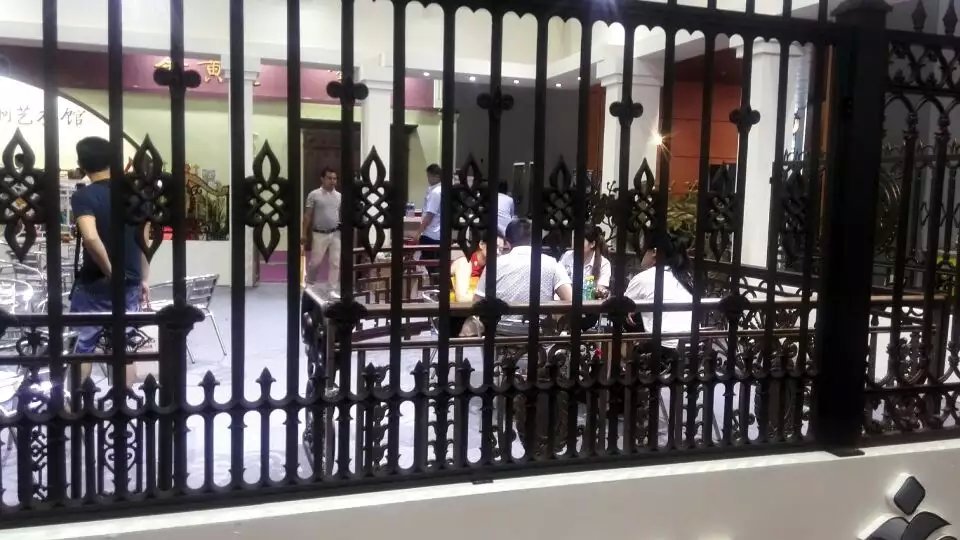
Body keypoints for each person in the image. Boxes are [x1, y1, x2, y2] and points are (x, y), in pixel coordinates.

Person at [69, 136, 150, 383]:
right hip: (130, 283)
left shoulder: (84, 196)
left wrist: (111, 272)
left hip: (95, 284)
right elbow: (144, 239)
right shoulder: (134, 195)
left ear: (81, 164)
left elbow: (90, 237)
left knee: (84, 347)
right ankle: (124, 402)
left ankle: (76, 402)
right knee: (124, 348)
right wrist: (144, 278)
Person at [475, 218, 573, 328]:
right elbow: (570, 300)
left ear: (507, 242)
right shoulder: (551, 263)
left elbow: (477, 302)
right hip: (539, 333)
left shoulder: (494, 264)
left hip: (500, 332)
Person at [623, 231, 694, 352]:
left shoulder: (645, 278)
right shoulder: (685, 277)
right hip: (692, 347)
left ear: (654, 252)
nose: (642, 254)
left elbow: (621, 307)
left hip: (662, 349)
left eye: (645, 249)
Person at [449, 234, 506, 336]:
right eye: (495, 247)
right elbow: (461, 298)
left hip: (477, 312)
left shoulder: (492, 268)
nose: (498, 252)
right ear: (481, 244)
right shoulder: (465, 263)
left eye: (501, 250)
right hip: (456, 315)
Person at [302, 167, 341, 287]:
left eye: (334, 178)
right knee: (315, 262)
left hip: (335, 233)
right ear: (322, 179)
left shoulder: (339, 196)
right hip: (319, 233)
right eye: (329, 178)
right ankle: (310, 284)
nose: (332, 181)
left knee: (335, 263)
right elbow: (307, 215)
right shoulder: (314, 195)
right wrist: (304, 233)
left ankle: (332, 288)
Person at [559, 225, 611, 299]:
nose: (575, 243)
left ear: (592, 244)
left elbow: (600, 289)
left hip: (589, 304)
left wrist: (598, 291)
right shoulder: (567, 256)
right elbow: (558, 279)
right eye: (574, 239)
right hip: (565, 302)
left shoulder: (604, 264)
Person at [414, 164, 443, 278]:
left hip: (431, 234)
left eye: (429, 176)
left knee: (432, 265)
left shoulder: (436, 192)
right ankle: (436, 284)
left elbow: (430, 215)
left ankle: (436, 285)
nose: (428, 179)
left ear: (436, 176)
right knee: (434, 265)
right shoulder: (439, 190)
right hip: (437, 234)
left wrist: (418, 232)